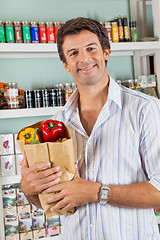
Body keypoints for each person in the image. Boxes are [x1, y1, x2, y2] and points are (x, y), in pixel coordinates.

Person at [21, 17, 160, 239]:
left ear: (106, 52)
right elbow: (50, 202)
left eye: (91, 48)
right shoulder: (55, 125)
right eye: (73, 53)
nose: (84, 58)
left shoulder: (145, 109)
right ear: (66, 64)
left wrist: (96, 192)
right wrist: (29, 190)